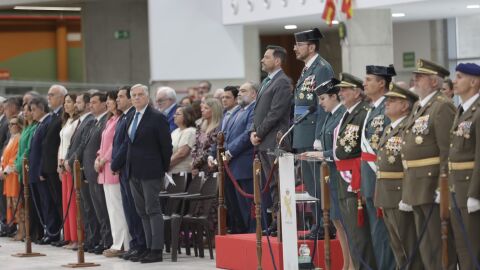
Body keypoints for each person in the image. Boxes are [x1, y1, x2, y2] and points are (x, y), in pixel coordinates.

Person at [401, 59, 456, 270]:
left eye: (421, 76)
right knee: (425, 244)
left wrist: (443, 185)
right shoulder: (418, 106)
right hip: (415, 184)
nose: (416, 79)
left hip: (432, 183)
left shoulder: (442, 106)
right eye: (416, 75)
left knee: (438, 242)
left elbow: (446, 150)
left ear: (434, 82)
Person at [303, 78, 354, 269]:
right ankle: (346, 264)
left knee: (345, 223)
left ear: (334, 96)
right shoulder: (330, 115)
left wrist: (321, 154)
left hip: (342, 174)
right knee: (336, 221)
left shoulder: (342, 115)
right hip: (330, 173)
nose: (321, 103)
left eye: (323, 98)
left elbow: (344, 148)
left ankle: (352, 265)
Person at [374, 83, 423, 269]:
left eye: (392, 100)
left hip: (399, 193)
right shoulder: (389, 129)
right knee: (398, 248)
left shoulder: (407, 127)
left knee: (408, 247)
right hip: (386, 194)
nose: (387, 103)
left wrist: (407, 195)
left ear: (405, 106)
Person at [293, 28, 334, 240]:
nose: (295, 48)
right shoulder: (307, 69)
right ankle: (319, 223)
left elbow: (322, 105)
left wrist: (319, 136)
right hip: (302, 133)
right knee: (310, 183)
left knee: (319, 183)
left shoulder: (322, 68)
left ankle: (325, 224)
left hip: (312, 134)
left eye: (299, 45)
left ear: (311, 46)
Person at [334, 73, 377, 269]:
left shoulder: (364, 112)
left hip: (356, 179)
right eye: (340, 90)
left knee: (360, 237)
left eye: (345, 89)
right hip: (344, 180)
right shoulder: (348, 113)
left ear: (357, 92)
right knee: (352, 233)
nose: (340, 93)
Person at [126, 84, 172, 263]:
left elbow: (166, 146)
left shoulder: (157, 117)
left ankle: (156, 249)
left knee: (152, 209)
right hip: (133, 171)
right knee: (141, 211)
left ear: (147, 97)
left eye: (140, 95)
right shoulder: (131, 116)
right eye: (134, 95)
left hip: (151, 171)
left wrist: (163, 168)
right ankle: (146, 246)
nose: (136, 98)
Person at [250, 45, 292, 236]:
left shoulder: (282, 82)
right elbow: (257, 111)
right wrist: (253, 130)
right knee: (272, 185)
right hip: (264, 140)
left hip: (275, 140)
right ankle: (277, 222)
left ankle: (284, 222)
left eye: (266, 57)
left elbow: (276, 112)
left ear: (277, 61)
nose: (262, 60)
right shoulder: (267, 81)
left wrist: (259, 133)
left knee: (279, 182)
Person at [360, 65, 396, 269]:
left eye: (369, 79)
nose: (365, 83)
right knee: (376, 232)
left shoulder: (385, 109)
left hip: (380, 177)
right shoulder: (372, 109)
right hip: (369, 178)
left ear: (381, 83)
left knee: (383, 233)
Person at [449, 63, 480, 270]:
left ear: (474, 81)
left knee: (474, 248)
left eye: (459, 77)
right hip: (456, 189)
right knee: (463, 248)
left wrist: (475, 194)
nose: (454, 81)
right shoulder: (461, 111)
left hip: (470, 189)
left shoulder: (477, 112)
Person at [110, 86, 147, 261]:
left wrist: (115, 163)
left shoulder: (133, 115)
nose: (117, 100)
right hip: (123, 168)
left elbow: (126, 143)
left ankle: (140, 244)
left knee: (134, 209)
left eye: (121, 96)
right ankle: (135, 244)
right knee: (128, 209)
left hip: (129, 167)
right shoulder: (124, 116)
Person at [96, 90, 131, 257]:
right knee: (111, 209)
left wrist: (104, 159)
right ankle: (116, 241)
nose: (109, 103)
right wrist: (98, 158)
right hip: (104, 169)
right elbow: (103, 144)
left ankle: (123, 244)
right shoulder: (109, 120)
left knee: (118, 208)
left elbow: (116, 145)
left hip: (113, 168)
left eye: (111, 100)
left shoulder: (119, 120)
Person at [64, 93, 99, 253]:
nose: (76, 104)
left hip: (85, 168)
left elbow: (83, 145)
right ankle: (91, 239)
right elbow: (73, 145)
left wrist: (71, 161)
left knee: (90, 207)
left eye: (78, 101)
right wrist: (67, 159)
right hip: (78, 167)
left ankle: (93, 239)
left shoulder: (90, 120)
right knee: (86, 207)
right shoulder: (81, 121)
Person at [28, 96, 61, 245]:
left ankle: (52, 232)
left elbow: (44, 150)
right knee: (42, 203)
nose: (32, 113)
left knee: (48, 202)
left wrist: (41, 169)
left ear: (42, 108)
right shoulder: (39, 124)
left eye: (34, 110)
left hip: (42, 171)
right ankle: (47, 230)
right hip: (34, 170)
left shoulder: (48, 122)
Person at [82, 92, 112, 255]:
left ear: (103, 104)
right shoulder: (94, 122)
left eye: (94, 102)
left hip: (100, 170)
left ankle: (107, 240)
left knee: (103, 208)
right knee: (96, 209)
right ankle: (101, 239)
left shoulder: (106, 121)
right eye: (90, 102)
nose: (90, 105)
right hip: (90, 170)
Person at [15, 103, 40, 241]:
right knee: (24, 203)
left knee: (31, 202)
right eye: (23, 110)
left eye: (28, 110)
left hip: (27, 168)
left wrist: (19, 164)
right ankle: (26, 231)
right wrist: (16, 163)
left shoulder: (34, 128)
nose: (25, 112)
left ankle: (34, 232)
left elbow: (28, 150)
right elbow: (19, 150)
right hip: (21, 170)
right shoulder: (26, 128)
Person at [57, 93, 79, 249]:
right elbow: (62, 144)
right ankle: (69, 236)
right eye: (65, 102)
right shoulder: (67, 121)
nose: (66, 104)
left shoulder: (78, 121)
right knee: (66, 201)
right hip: (62, 163)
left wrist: (67, 161)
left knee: (73, 202)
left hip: (71, 164)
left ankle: (77, 238)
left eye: (69, 102)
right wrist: (59, 162)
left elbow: (73, 144)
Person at [43, 85, 66, 236]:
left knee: (60, 200)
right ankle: (56, 232)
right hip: (48, 166)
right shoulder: (51, 116)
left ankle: (62, 232)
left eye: (52, 95)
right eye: (48, 95)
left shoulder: (63, 116)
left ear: (61, 98)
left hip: (56, 166)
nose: (48, 97)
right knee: (53, 201)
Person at [1, 116, 22, 241]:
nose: (10, 126)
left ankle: (21, 230)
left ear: (19, 125)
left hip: (13, 174)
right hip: (7, 176)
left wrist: (6, 170)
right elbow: (4, 156)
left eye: (13, 124)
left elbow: (15, 157)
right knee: (10, 204)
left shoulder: (19, 138)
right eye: (9, 124)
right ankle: (15, 228)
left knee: (17, 203)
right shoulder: (11, 138)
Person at [191, 98, 223, 178]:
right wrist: (194, 163)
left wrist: (196, 164)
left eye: (206, 108)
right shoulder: (200, 125)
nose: (202, 110)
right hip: (198, 166)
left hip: (210, 165)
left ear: (214, 110)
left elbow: (211, 149)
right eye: (202, 108)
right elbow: (195, 145)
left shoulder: (219, 127)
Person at [169, 105, 196, 188]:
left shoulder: (190, 132)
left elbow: (181, 154)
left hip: (182, 174)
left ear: (187, 116)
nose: (174, 116)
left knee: (179, 200)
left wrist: (165, 165)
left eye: (178, 114)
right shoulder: (175, 131)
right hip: (172, 173)